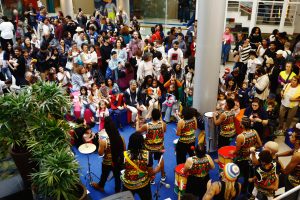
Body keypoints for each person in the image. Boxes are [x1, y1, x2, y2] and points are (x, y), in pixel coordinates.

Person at [121, 133, 162, 200]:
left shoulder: (124, 155)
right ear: (142, 143)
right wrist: (157, 169)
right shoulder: (147, 155)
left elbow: (122, 168)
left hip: (128, 185)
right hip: (143, 185)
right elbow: (150, 173)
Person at [92, 117, 125, 193]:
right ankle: (118, 190)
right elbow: (124, 150)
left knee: (104, 174)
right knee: (117, 177)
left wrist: (100, 143)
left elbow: (100, 153)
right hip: (118, 161)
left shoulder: (104, 141)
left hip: (107, 162)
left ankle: (101, 186)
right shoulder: (121, 138)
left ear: (106, 129)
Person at [136, 108, 167, 184]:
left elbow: (137, 132)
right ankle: (163, 175)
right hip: (159, 146)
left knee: (149, 162)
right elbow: (164, 131)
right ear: (159, 116)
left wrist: (137, 122)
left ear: (152, 116)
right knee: (160, 159)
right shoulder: (163, 124)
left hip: (148, 147)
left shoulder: (147, 125)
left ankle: (151, 178)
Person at [233, 117, 262, 194]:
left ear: (242, 125)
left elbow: (237, 151)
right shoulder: (254, 132)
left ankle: (235, 188)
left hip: (241, 159)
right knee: (247, 175)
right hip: (251, 157)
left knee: (236, 173)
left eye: (240, 122)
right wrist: (252, 149)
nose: (239, 123)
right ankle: (245, 190)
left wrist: (232, 153)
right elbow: (260, 144)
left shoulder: (240, 137)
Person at [277, 123, 300, 200]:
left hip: (294, 181)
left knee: (289, 196)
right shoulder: (297, 147)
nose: (290, 136)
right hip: (292, 173)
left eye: (292, 136)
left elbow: (285, 171)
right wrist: (277, 155)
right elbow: (291, 152)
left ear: (297, 141)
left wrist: (277, 162)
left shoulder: (297, 155)